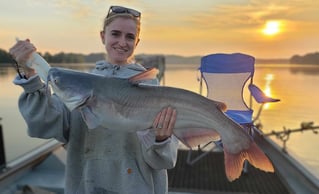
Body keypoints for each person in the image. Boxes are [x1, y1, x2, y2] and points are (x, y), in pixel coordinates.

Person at [10, 5, 179, 194]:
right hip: (86, 186)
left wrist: (161, 139)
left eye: (130, 37)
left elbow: (164, 160)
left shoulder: (152, 91)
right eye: (115, 34)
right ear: (102, 36)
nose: (122, 42)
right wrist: (31, 75)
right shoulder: (77, 89)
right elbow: (42, 124)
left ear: (137, 42)